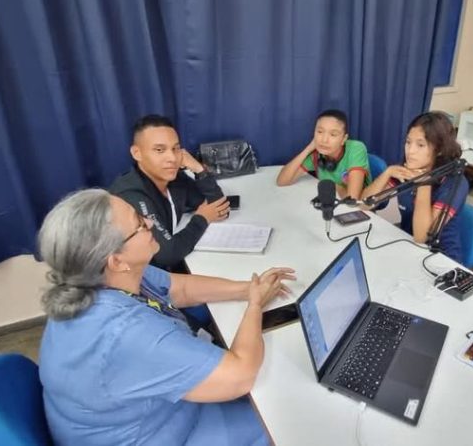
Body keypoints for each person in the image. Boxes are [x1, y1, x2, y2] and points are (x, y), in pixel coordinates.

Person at [37, 188, 296, 445]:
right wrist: (254, 306)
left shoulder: (100, 277)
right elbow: (240, 376)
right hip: (154, 434)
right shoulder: (126, 332)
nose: (149, 222)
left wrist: (247, 288)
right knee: (284, 421)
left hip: (139, 415)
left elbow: (179, 288)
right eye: (139, 224)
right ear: (116, 261)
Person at [110, 114, 230, 274]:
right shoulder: (130, 194)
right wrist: (202, 219)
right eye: (160, 150)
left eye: (176, 148)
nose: (172, 158)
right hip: (137, 282)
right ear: (136, 153)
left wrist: (199, 170)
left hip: (167, 272)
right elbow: (167, 254)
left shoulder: (174, 179)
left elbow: (218, 207)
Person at [361, 112, 469, 263]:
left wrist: (423, 185)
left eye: (420, 145)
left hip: (442, 260)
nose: (410, 151)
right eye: (408, 142)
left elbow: (421, 236)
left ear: (439, 149)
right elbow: (363, 205)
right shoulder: (408, 170)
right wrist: (387, 173)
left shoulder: (454, 182)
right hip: (408, 247)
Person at [276, 109, 371, 200]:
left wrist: (331, 186)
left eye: (333, 134)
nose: (324, 140)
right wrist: (309, 148)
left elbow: (351, 198)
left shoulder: (356, 148)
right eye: (320, 132)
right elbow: (282, 181)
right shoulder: (317, 154)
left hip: (358, 210)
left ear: (344, 139)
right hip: (331, 202)